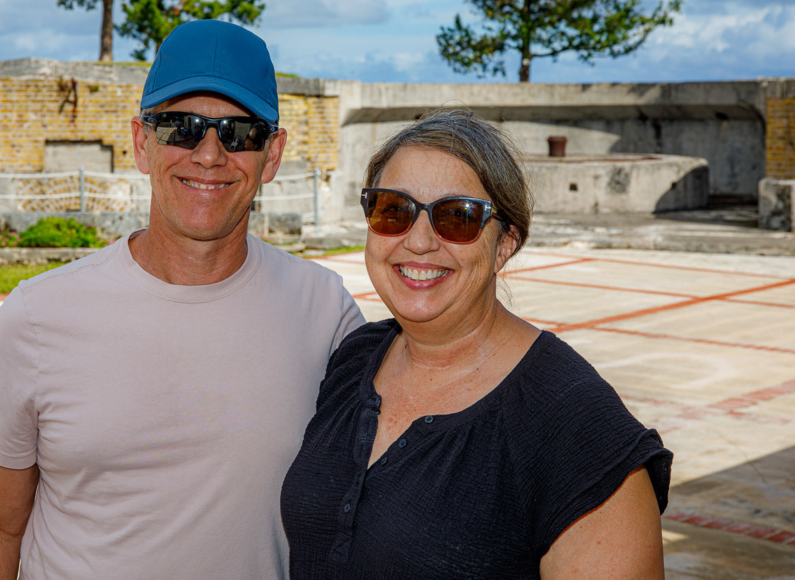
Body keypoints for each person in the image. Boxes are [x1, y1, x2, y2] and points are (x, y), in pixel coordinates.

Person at [0, 19, 365, 579]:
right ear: (143, 143)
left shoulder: (326, 312)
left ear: (272, 155)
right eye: (181, 128)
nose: (209, 155)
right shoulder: (38, 316)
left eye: (239, 133)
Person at [281, 111, 672, 579]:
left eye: (457, 217)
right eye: (393, 209)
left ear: (506, 243)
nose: (419, 242)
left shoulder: (577, 428)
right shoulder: (355, 359)